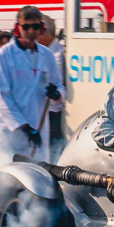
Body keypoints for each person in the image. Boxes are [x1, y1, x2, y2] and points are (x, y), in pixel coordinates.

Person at [0, 6, 63, 161]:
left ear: (41, 28)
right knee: (7, 177)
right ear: (17, 28)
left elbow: (59, 87)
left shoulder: (47, 55)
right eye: (26, 26)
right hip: (9, 131)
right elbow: (2, 97)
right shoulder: (2, 56)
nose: (31, 31)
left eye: (35, 26)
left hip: (38, 127)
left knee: (37, 176)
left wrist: (56, 95)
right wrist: (25, 127)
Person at [38, 14, 68, 158]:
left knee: (53, 148)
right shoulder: (41, 50)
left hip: (52, 111)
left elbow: (54, 81)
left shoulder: (56, 53)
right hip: (41, 109)